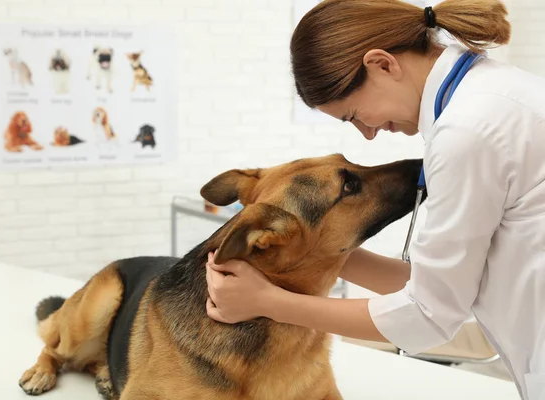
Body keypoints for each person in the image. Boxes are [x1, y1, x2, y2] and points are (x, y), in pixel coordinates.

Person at [204, 0, 545, 399]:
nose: (367, 133)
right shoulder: (497, 90)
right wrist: (315, 247)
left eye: (353, 115)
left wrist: (268, 302)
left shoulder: (467, 132)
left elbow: (428, 315)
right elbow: (457, 285)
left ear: (382, 64)